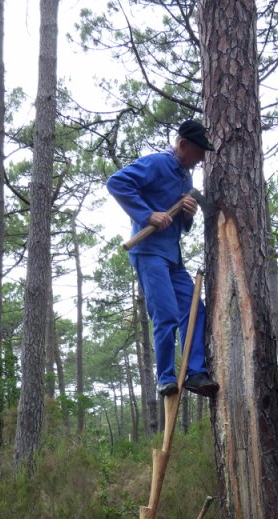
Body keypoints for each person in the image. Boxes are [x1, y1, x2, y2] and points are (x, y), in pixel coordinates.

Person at [106, 120, 219, 398]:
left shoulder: (186, 177)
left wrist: (189, 214)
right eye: (199, 152)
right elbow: (116, 183)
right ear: (182, 146)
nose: (202, 159)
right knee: (166, 314)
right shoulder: (157, 163)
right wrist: (147, 214)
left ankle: (195, 373)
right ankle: (166, 378)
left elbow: (179, 223)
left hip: (173, 256)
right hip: (148, 252)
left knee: (195, 309)